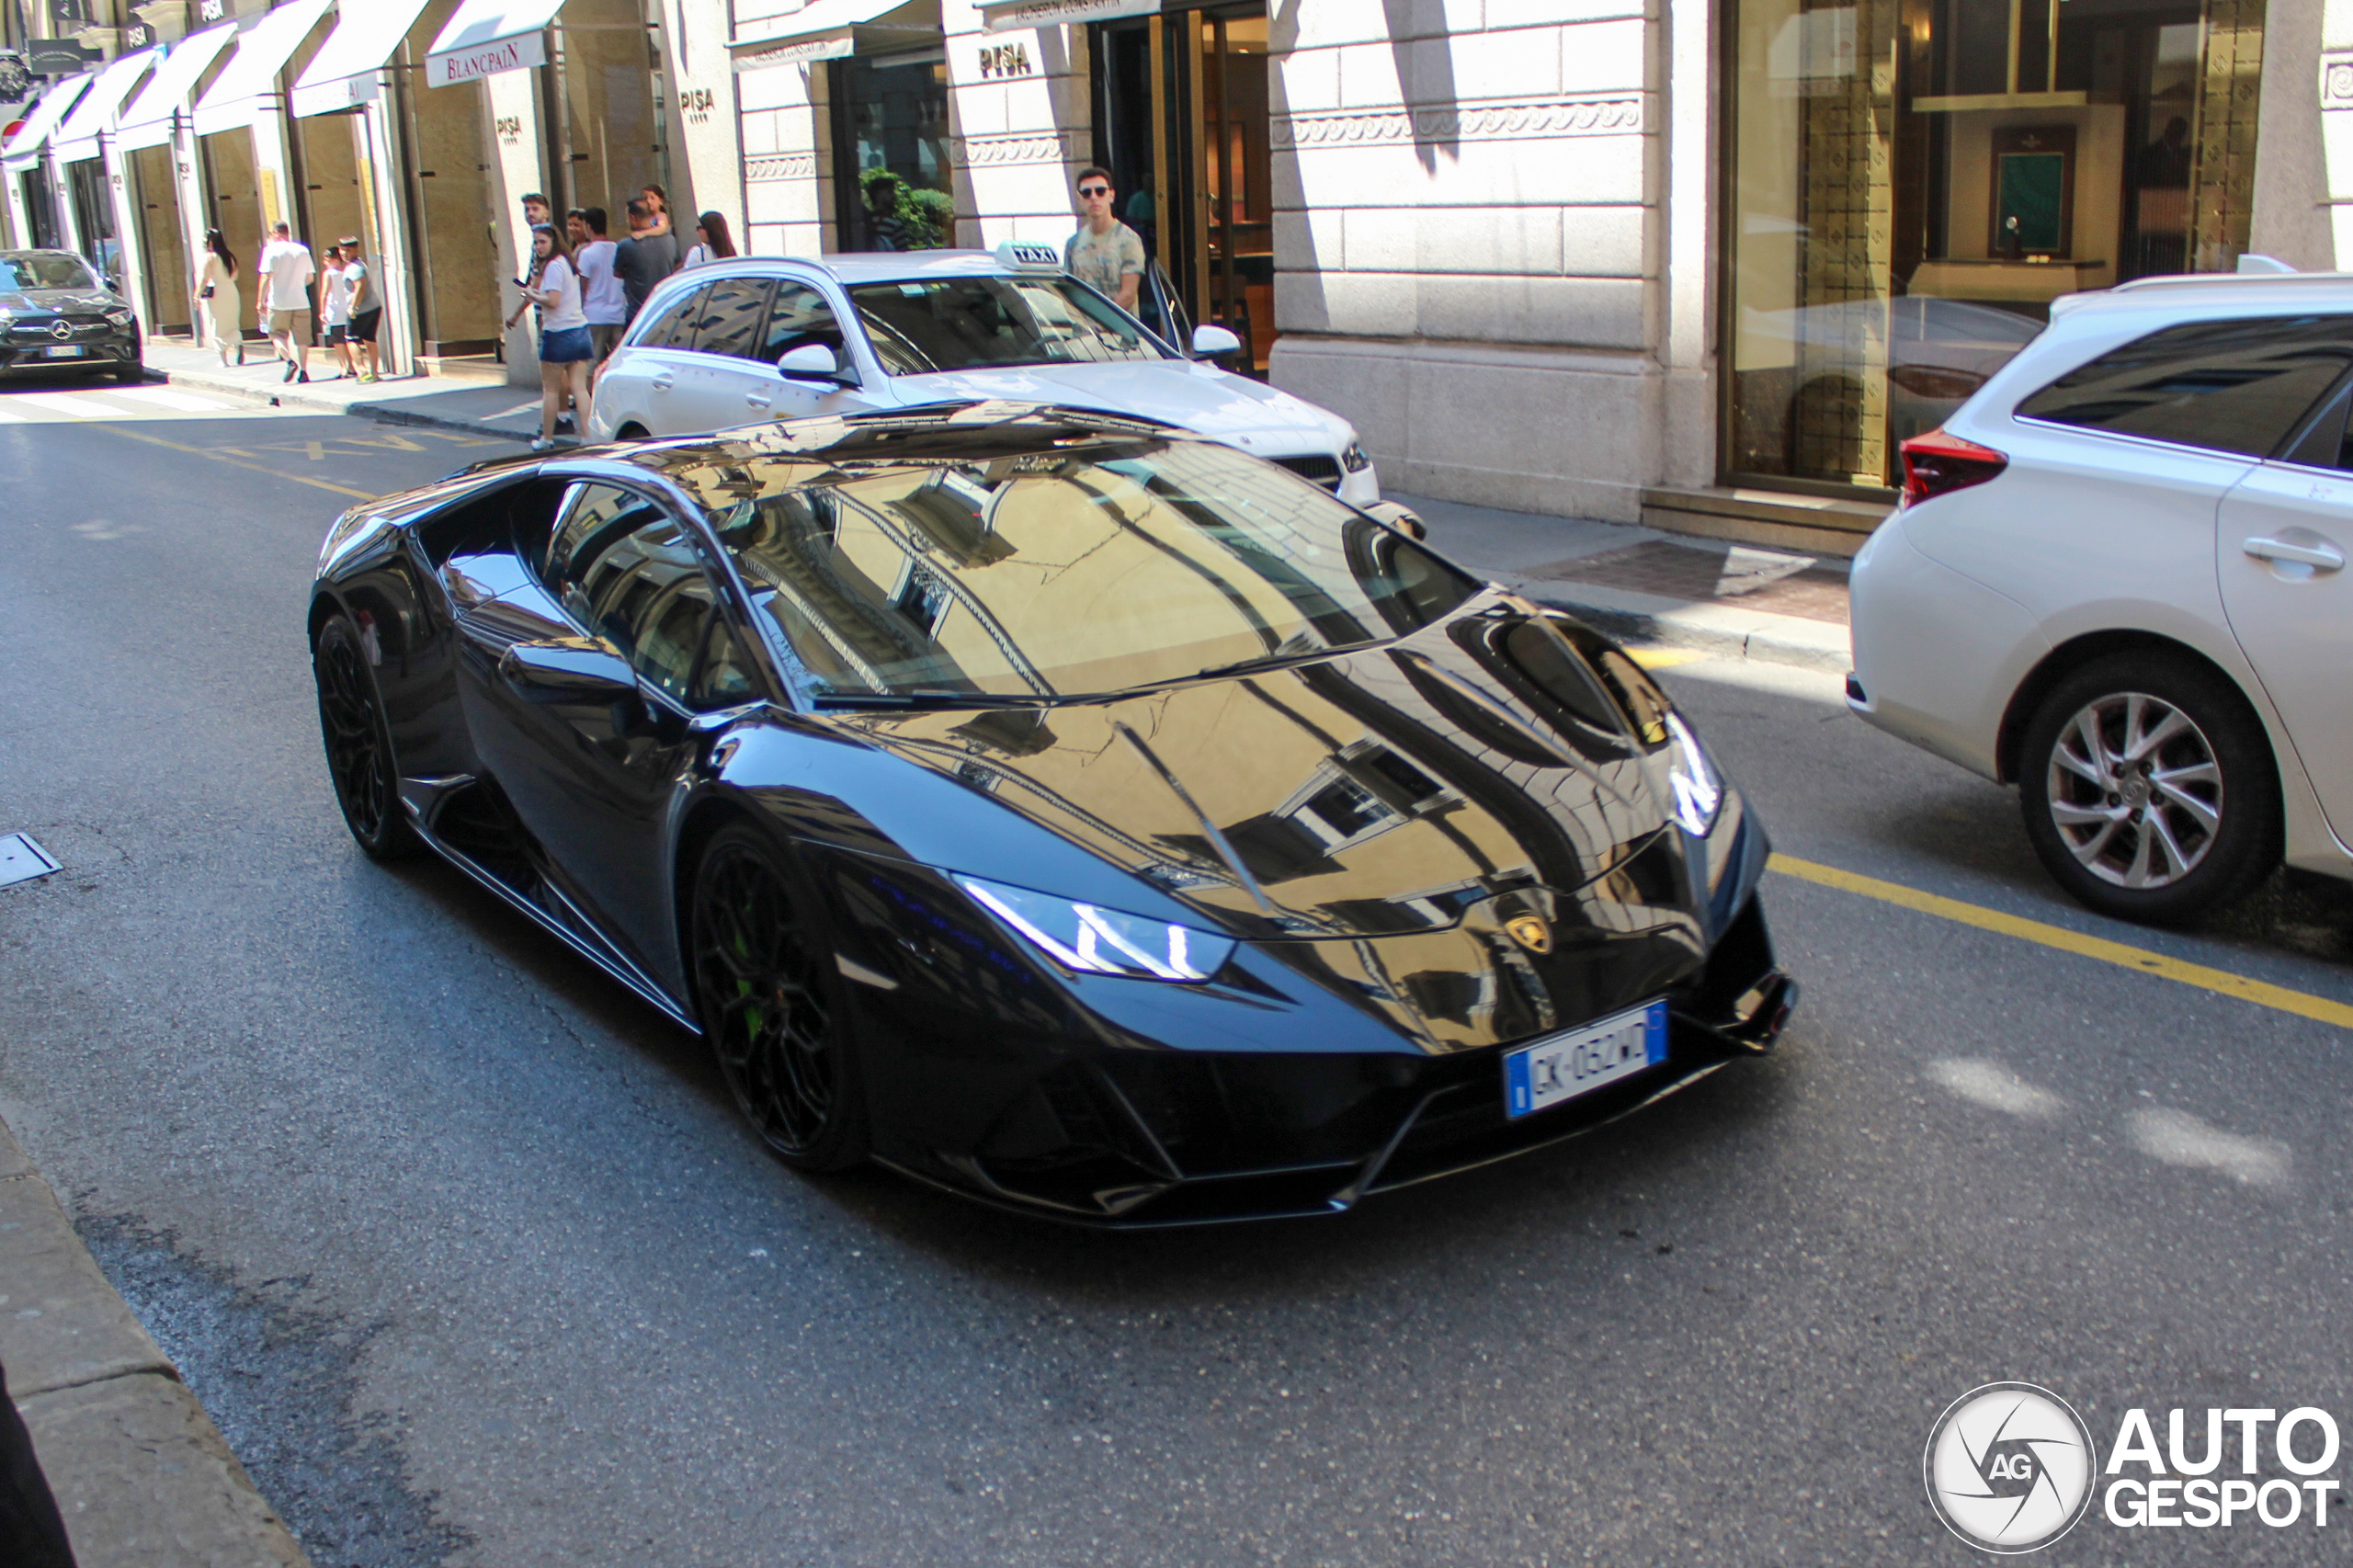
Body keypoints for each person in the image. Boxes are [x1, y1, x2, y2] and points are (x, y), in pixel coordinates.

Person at [509, 223, 593, 451]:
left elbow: (553, 301)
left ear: (553, 242)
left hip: (558, 333)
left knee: (551, 390)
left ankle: (547, 438)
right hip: (579, 331)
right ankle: (587, 436)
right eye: (535, 242)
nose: (538, 247)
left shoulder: (555, 267)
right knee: (579, 388)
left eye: (542, 241)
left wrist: (532, 295)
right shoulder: (567, 263)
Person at [1064, 165, 1143, 312]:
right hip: (1083, 332)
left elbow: (1128, 294)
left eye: (1100, 191)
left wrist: (1101, 323)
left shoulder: (1129, 240)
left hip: (1119, 331)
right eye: (1087, 193)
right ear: (1079, 198)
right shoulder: (1073, 243)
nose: (1094, 197)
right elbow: (1069, 292)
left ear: (1111, 195)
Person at [256, 221, 314, 382]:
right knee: (302, 339)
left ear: (275, 233)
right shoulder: (302, 250)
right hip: (301, 300)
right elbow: (310, 278)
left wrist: (261, 300)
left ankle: (289, 361)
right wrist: (296, 284)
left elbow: (266, 277)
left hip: (279, 301)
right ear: (287, 232)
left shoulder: (270, 251)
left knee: (276, 333)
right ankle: (304, 371)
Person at [570, 206, 626, 363]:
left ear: (588, 226)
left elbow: (582, 286)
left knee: (592, 362)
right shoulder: (618, 248)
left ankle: (590, 388)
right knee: (618, 362)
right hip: (618, 313)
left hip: (594, 315)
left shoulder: (587, 253)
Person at [612, 198, 677, 324]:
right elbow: (678, 265)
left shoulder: (626, 245)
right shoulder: (671, 240)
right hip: (665, 311)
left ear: (632, 218)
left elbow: (617, 273)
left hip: (638, 315)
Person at [196, 228, 242, 368]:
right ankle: (238, 343)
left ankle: (223, 360)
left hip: (218, 292)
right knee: (232, 321)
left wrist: (196, 295)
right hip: (231, 290)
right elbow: (235, 275)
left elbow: (204, 278)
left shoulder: (211, 257)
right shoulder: (229, 256)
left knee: (218, 322)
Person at [340, 236, 382, 382]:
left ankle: (362, 371)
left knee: (351, 339)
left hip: (361, 309)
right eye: (342, 250)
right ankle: (375, 373)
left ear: (356, 250)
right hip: (373, 306)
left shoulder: (354, 268)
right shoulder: (360, 264)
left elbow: (360, 286)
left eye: (348, 250)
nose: (344, 253)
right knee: (370, 339)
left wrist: (353, 307)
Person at [317, 242, 357, 380]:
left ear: (335, 259)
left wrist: (322, 311)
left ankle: (344, 367)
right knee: (348, 339)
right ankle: (352, 366)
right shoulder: (346, 271)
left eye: (327, 259)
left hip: (333, 310)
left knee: (338, 341)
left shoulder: (328, 274)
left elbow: (324, 293)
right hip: (346, 309)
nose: (325, 262)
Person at [862, 175, 909, 251]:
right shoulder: (895, 225)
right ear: (878, 194)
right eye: (889, 192)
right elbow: (903, 255)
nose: (894, 196)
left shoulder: (863, 223)